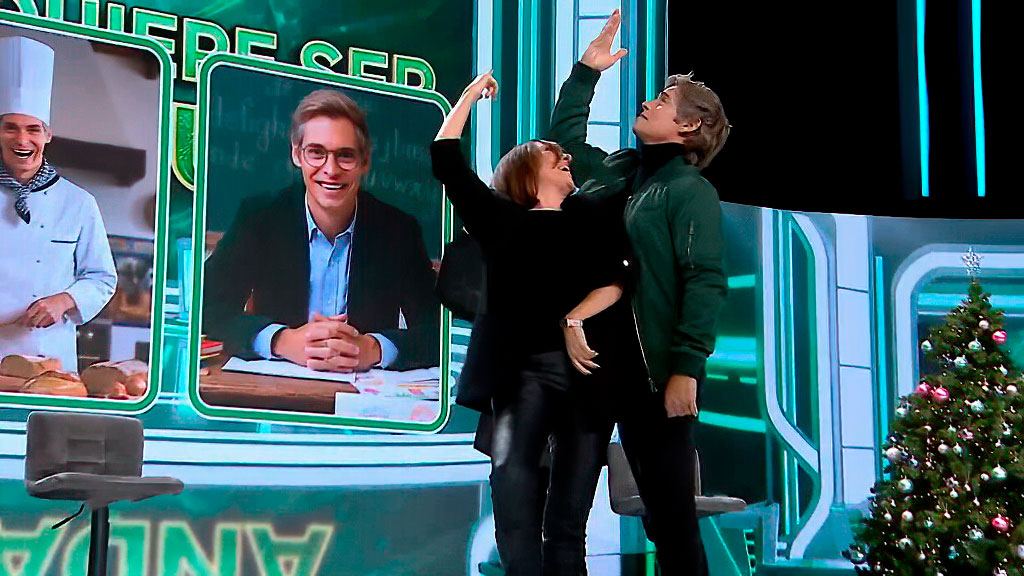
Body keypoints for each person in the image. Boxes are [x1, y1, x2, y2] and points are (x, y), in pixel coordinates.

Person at [548, 10, 730, 575]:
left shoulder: (688, 189)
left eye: (663, 100)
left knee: (670, 519)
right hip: (592, 369)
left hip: (651, 378)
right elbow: (564, 145)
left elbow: (704, 280)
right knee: (565, 514)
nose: (648, 103)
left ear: (690, 126)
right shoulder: (620, 170)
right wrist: (585, 73)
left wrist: (685, 370)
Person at [432, 72, 634, 575]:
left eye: (563, 154)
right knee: (516, 512)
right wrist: (468, 96)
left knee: (568, 525)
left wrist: (574, 319)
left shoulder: (592, 217)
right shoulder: (500, 218)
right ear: (526, 172)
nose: (565, 157)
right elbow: (446, 158)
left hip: (588, 380)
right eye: (552, 154)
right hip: (519, 377)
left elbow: (617, 281)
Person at [203, 89, 439, 372]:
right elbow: (207, 307)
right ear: (296, 154)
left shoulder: (399, 231)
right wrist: (280, 340)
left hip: (363, 390)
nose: (331, 170)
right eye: (316, 153)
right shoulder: (259, 217)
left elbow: (438, 331)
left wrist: (374, 349)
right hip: (275, 385)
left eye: (346, 156)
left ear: (365, 161)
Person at [0, 36, 117, 373]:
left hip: (48, 357)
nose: (22, 140)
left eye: (33, 129)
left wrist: (65, 300)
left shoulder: (79, 203)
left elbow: (102, 278)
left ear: (48, 135)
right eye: (10, 128)